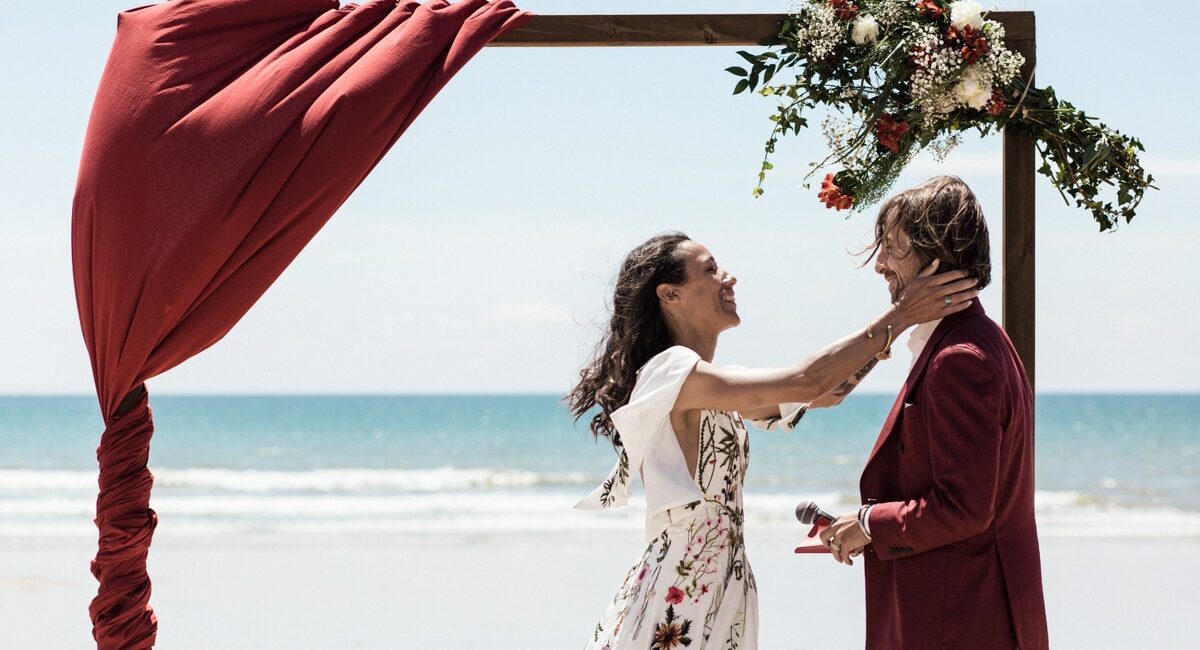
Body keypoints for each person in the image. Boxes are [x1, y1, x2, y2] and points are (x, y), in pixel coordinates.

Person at [567, 231, 977, 650]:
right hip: (681, 592)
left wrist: (892, 330)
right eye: (710, 270)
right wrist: (903, 313)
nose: (729, 278)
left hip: (720, 590)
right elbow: (808, 379)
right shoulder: (671, 372)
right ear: (669, 294)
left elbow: (826, 392)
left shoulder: (712, 386)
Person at [819, 176, 1050, 649]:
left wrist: (867, 524)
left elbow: (964, 509)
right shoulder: (982, 339)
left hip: (959, 618)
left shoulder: (960, 357)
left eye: (891, 248)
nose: (879, 263)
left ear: (936, 256)